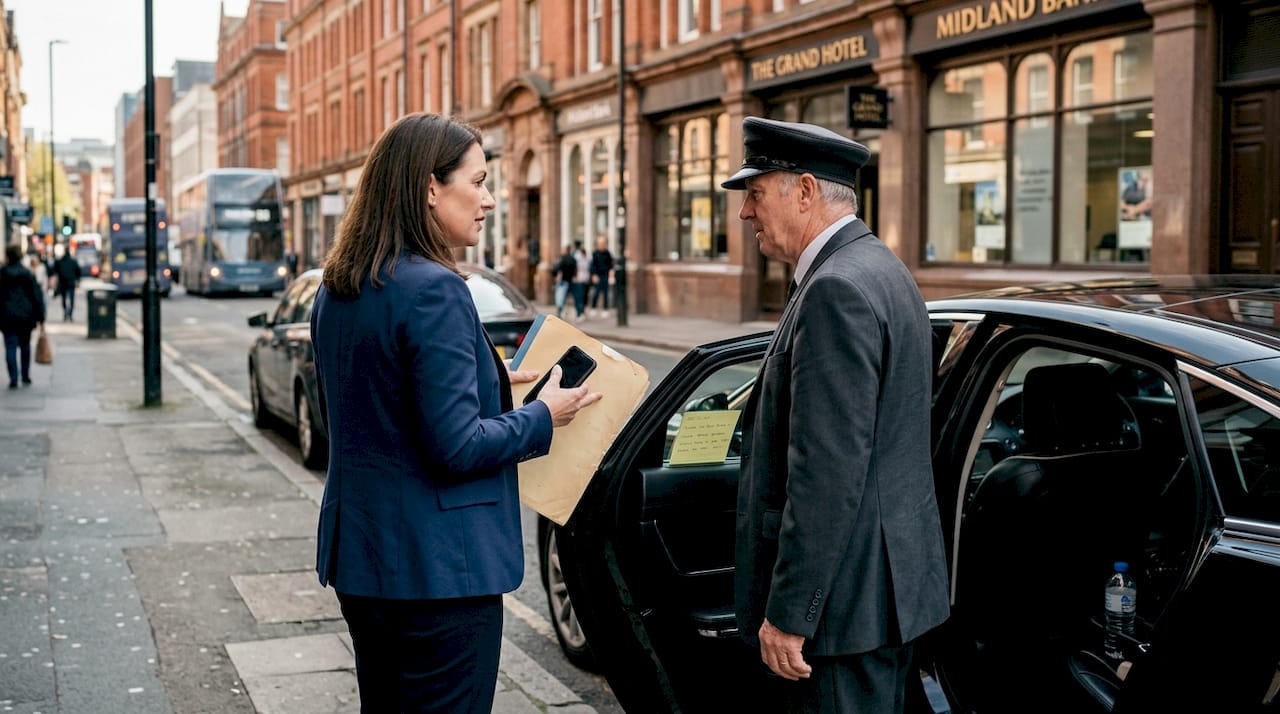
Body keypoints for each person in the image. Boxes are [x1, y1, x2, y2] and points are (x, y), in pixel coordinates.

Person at [309, 112, 601, 713]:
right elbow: (457, 446)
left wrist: (492, 379)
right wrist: (544, 413)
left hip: (364, 561)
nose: (489, 200)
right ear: (430, 188)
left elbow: (381, 401)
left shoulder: (340, 287)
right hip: (439, 573)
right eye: (479, 181)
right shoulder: (435, 288)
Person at [722, 117, 950, 713]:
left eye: (755, 193)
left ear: (803, 190)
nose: (746, 213)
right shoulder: (882, 268)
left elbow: (826, 474)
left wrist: (791, 615)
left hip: (841, 615)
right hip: (881, 598)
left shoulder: (834, 290)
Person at [1, 245, 46, 389]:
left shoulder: (2, 274)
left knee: (10, 346)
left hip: (7, 316)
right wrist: (41, 318)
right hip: (26, 316)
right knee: (25, 346)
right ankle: (25, 375)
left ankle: (13, 377)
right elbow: (36, 296)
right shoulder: (27, 274)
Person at [52, 247, 82, 321]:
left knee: (64, 299)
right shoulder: (73, 261)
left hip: (63, 282)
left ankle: (66, 313)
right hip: (70, 282)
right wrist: (77, 280)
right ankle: (70, 314)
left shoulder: (60, 261)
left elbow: (55, 270)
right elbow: (78, 272)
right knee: (71, 299)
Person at [588, 234, 614, 318]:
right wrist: (594, 275)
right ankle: (593, 308)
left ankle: (605, 309)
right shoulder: (595, 253)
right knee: (596, 293)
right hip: (598, 275)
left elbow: (611, 266)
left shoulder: (607, 253)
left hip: (605, 275)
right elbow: (593, 266)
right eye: (600, 243)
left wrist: (611, 276)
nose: (601, 245)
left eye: (603, 243)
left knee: (606, 293)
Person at [554, 243, 575, 318]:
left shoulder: (562, 259)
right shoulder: (573, 259)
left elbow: (559, 269)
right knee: (565, 297)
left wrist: (558, 277)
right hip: (569, 281)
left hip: (562, 281)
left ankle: (560, 311)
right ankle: (563, 311)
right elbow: (575, 270)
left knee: (560, 296)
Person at [571, 240, 590, 322]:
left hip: (579, 280)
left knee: (579, 298)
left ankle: (580, 313)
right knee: (583, 297)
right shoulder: (586, 257)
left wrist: (574, 277)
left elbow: (574, 267)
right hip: (585, 280)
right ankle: (581, 313)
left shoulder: (576, 256)